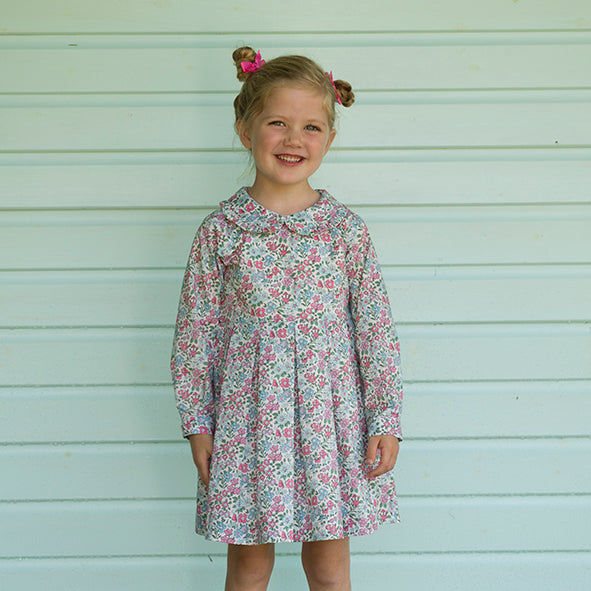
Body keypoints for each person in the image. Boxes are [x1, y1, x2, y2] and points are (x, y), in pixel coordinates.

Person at [171, 46, 403, 591]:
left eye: (311, 126)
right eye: (277, 123)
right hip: (248, 421)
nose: (294, 139)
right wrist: (197, 424)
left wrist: (385, 417)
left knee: (327, 567)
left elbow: (374, 330)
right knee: (250, 568)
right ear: (244, 128)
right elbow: (193, 335)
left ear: (330, 137)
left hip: (332, 422)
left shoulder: (346, 230)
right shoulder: (222, 231)